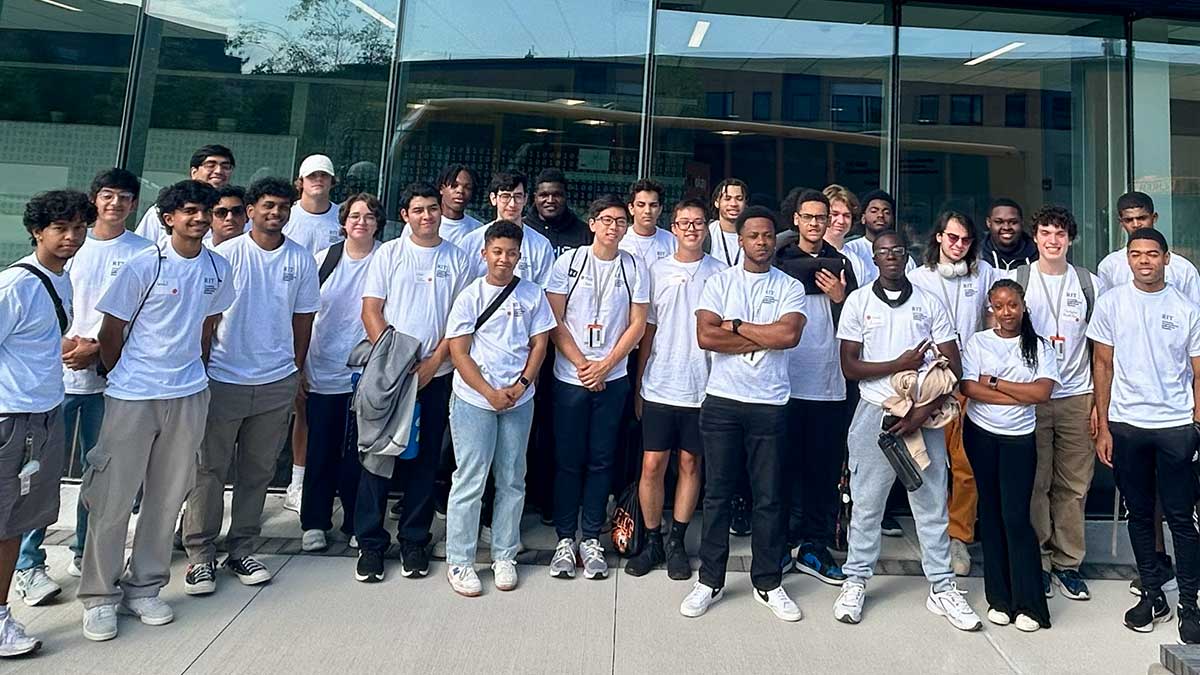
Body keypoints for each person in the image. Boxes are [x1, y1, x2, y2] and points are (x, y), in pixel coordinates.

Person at [79, 180, 234, 641]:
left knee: (168, 498)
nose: (200, 219)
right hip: (132, 395)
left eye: (205, 212)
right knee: (112, 499)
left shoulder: (218, 268)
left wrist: (194, 373)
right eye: (189, 211)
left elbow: (208, 326)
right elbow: (112, 331)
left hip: (188, 394)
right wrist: (120, 374)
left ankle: (144, 586)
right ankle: (99, 597)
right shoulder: (145, 264)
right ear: (168, 218)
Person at [14, 170, 150, 609]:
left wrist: (98, 349)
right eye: (107, 195)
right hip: (47, 387)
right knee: (35, 478)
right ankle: (27, 564)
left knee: (100, 475)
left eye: (125, 197)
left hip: (108, 379)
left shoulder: (144, 251)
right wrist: (68, 347)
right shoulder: (50, 261)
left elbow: (143, 317)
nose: (115, 204)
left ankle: (84, 554)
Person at [833, 231, 981, 631]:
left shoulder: (929, 302)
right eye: (884, 252)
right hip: (874, 411)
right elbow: (850, 366)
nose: (891, 258)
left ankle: (942, 586)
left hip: (923, 416)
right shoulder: (859, 301)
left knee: (931, 504)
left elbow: (954, 364)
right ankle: (856, 579)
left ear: (907, 256)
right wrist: (897, 364)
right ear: (876, 259)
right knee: (866, 504)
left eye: (898, 251)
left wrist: (923, 411)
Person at [181, 177, 320, 595]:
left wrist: (294, 371)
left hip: (275, 381)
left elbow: (303, 320)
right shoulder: (226, 256)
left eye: (282, 207)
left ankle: (242, 547)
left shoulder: (301, 260)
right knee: (208, 470)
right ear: (252, 211)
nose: (274, 213)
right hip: (224, 378)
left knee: (258, 472)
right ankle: (200, 556)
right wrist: (202, 372)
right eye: (266, 206)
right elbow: (207, 322)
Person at [677, 205, 806, 621]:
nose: (762, 242)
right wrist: (754, 334)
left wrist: (734, 326)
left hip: (770, 403)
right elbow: (704, 336)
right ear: (742, 240)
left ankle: (768, 582)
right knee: (716, 494)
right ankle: (710, 580)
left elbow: (787, 335)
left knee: (769, 498)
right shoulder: (719, 282)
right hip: (723, 401)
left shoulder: (789, 286)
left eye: (768, 235)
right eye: (753, 236)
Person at [354, 182, 473, 583]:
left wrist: (432, 363)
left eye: (432, 209)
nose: (427, 216)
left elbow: (460, 323)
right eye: (418, 210)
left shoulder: (458, 259)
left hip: (436, 376)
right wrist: (394, 362)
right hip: (389, 377)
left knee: (425, 462)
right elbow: (372, 310)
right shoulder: (389, 254)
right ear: (404, 215)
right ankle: (370, 543)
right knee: (377, 457)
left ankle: (413, 539)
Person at [1089, 228, 1200, 644]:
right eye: (1136, 254)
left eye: (1152, 254)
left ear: (1166, 259)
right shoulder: (1112, 303)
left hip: (1174, 426)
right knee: (1139, 514)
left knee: (1180, 519)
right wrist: (1103, 421)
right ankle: (1152, 594)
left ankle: (1190, 604)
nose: (1144, 261)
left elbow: (1198, 372)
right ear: (1128, 259)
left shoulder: (1187, 308)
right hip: (1127, 424)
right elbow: (1103, 364)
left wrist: (1196, 426)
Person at [443, 220, 557, 596]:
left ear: (519, 256)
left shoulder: (531, 295)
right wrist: (489, 392)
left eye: (511, 253)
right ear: (484, 253)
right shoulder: (470, 296)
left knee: (511, 477)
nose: (504, 259)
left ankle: (504, 554)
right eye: (497, 252)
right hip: (475, 399)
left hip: (519, 399)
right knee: (471, 478)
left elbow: (539, 344)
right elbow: (459, 351)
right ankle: (460, 560)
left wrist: (522, 384)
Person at [0, 190, 89, 657]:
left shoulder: (62, 281)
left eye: (78, 227)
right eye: (60, 227)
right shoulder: (16, 285)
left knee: (17, 521)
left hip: (43, 416)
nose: (71, 236)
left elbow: (28, 344)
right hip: (11, 421)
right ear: (37, 231)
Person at [546, 195, 649, 581]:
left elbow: (638, 323)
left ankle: (591, 537)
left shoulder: (633, 266)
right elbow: (554, 319)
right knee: (568, 459)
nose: (614, 227)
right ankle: (564, 538)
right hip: (571, 377)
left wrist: (606, 364)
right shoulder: (568, 263)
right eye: (607, 220)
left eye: (621, 221)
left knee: (603, 458)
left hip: (614, 376)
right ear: (591, 224)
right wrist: (582, 364)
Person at [625, 198, 725, 579]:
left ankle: (677, 541)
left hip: (703, 386)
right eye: (683, 223)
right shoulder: (656, 270)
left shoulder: (720, 273)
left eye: (698, 223)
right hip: (660, 383)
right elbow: (646, 330)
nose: (691, 229)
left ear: (707, 227)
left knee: (690, 463)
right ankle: (652, 539)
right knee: (652, 464)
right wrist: (639, 385)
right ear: (675, 226)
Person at [960, 279, 1058, 632]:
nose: (1006, 313)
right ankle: (998, 598)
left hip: (1019, 439)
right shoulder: (978, 342)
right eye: (999, 306)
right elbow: (969, 387)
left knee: (1016, 517)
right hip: (981, 435)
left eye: (1012, 305)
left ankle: (1029, 604)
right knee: (990, 512)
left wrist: (997, 384)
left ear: (1023, 306)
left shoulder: (1039, 346)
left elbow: (1042, 392)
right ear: (991, 309)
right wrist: (1018, 393)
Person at [1016, 205, 1103, 601]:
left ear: (1070, 239)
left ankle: (1068, 563)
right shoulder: (1017, 279)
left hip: (1076, 395)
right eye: (1046, 232)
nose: (1053, 241)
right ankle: (1038, 559)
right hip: (1031, 395)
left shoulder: (1089, 283)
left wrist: (1101, 403)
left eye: (1061, 234)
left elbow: (1102, 350)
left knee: (1073, 485)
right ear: (1035, 237)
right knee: (1034, 481)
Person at [773, 189, 858, 584]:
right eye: (807, 217)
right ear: (795, 219)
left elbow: (860, 321)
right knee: (781, 467)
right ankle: (781, 544)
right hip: (783, 381)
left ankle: (814, 546)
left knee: (822, 469)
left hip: (828, 382)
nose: (814, 224)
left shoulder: (842, 263)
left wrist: (840, 297)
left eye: (821, 218)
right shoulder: (778, 260)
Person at [907, 211, 994, 577]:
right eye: (952, 238)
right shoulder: (917, 278)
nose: (959, 246)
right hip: (929, 383)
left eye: (966, 240)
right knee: (927, 461)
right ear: (938, 237)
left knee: (965, 465)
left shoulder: (985, 273)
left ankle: (958, 535)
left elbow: (993, 322)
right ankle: (933, 533)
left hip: (968, 382)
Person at [297, 193, 382, 552]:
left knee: (358, 456)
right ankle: (314, 521)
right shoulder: (323, 259)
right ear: (343, 222)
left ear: (378, 223)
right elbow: (303, 314)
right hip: (324, 368)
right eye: (355, 216)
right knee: (321, 448)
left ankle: (353, 521)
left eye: (369, 216)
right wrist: (298, 365)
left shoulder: (387, 259)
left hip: (369, 373)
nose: (361, 222)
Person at [282, 154, 343, 514]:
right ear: (300, 182)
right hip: (287, 317)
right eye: (311, 176)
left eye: (324, 176)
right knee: (298, 407)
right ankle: (297, 479)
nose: (318, 181)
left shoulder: (343, 218)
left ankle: (320, 480)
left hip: (330, 324)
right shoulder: (286, 216)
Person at [1098, 191, 1200, 304]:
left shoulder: (1183, 268)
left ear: (1154, 217)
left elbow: (1195, 311)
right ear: (1121, 222)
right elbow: (1106, 308)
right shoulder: (1110, 265)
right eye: (1129, 220)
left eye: (1142, 218)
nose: (1136, 224)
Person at [459, 171, 556, 287]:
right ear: (493, 198)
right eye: (505, 196)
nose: (512, 204)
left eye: (518, 196)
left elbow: (546, 291)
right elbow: (462, 287)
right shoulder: (472, 242)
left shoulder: (541, 245)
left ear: (525, 199)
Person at [134, 144, 235, 244]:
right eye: (210, 166)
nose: (218, 171)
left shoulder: (238, 212)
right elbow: (140, 247)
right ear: (194, 172)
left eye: (225, 167)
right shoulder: (164, 209)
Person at [841, 189, 915, 286]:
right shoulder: (851, 249)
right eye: (874, 211)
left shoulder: (902, 254)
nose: (880, 215)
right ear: (863, 218)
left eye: (887, 212)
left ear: (893, 219)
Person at [525, 168, 591, 256]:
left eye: (557, 195)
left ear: (566, 197)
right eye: (544, 195)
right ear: (535, 197)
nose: (550, 200)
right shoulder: (522, 228)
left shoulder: (584, 233)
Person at [620, 179, 676, 265]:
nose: (647, 211)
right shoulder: (620, 239)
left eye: (653, 205)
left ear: (660, 209)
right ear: (631, 208)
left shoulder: (671, 241)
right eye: (641, 205)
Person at [980, 199, 1037, 276]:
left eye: (1013, 222)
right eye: (999, 222)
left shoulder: (1038, 255)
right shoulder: (978, 256)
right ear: (988, 223)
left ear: (1022, 223)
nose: (1006, 228)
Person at [438, 164, 483, 250]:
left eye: (468, 187)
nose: (460, 191)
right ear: (442, 189)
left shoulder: (478, 229)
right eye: (454, 186)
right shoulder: (423, 223)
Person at [707, 178, 748, 267]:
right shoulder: (705, 233)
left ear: (746, 204)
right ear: (717, 202)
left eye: (739, 199)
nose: (733, 204)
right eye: (727, 198)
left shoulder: (755, 234)